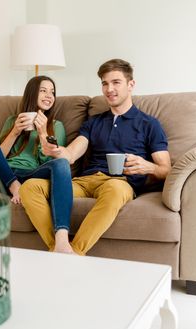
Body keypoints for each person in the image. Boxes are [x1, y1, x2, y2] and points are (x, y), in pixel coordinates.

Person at [19, 59, 172, 255]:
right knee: (30, 187)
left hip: (119, 182)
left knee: (115, 191)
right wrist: (55, 150)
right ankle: (59, 248)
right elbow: (71, 154)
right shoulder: (94, 122)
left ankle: (75, 251)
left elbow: (166, 169)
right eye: (105, 83)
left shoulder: (149, 124)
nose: (109, 89)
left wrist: (147, 167)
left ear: (130, 84)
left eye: (116, 82)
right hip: (84, 181)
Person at [0, 75, 74, 253]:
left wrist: (42, 132)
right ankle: (14, 185)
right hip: (2, 176)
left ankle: (62, 242)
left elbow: (51, 161)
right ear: (32, 93)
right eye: (43, 90)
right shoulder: (12, 121)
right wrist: (15, 132)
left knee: (61, 164)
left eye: (52, 92)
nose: (49, 95)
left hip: (32, 176)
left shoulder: (56, 126)